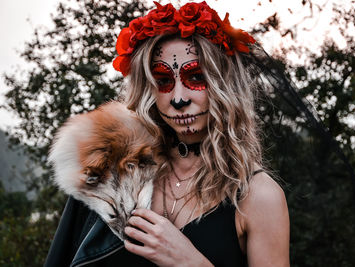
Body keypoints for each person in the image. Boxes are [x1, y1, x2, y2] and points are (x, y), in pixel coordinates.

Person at [45, 2, 290, 266]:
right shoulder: (112, 167)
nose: (178, 98)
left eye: (195, 76)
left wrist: (191, 262)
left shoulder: (259, 196)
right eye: (163, 81)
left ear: (224, 84)